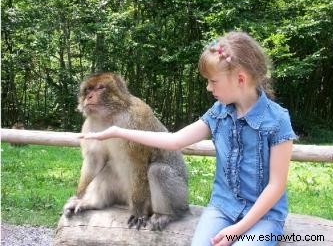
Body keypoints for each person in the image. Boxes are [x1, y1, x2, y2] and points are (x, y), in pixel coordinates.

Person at [80, 31, 297, 246]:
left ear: (240, 79)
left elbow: (276, 186)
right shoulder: (219, 112)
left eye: (213, 81)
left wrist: (236, 231)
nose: (208, 87)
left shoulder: (277, 121)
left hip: (265, 216)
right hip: (224, 207)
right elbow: (175, 140)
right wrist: (118, 132)